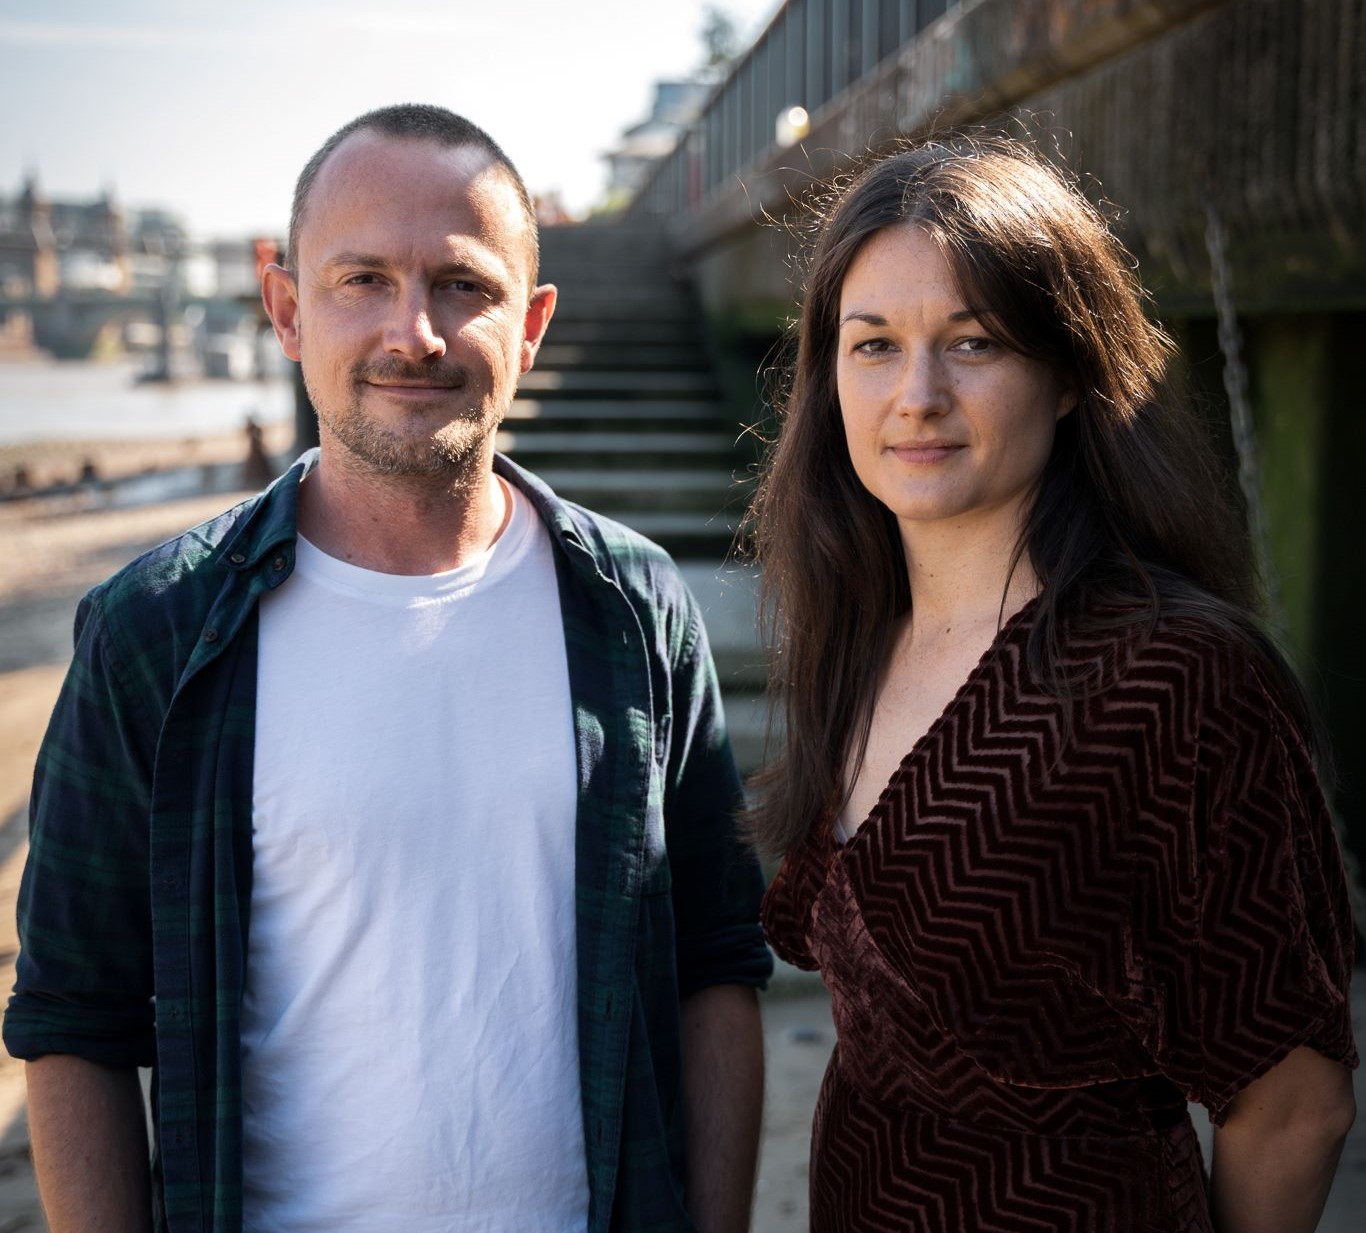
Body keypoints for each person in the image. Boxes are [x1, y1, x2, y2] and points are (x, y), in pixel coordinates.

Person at [5, 104, 771, 1233]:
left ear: (533, 325)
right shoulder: (153, 633)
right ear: (285, 309)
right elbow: (76, 1020)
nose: (413, 331)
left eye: (463, 285)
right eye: (361, 279)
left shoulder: (634, 609)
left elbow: (714, 964)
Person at [750, 133, 1358, 1233]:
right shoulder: (855, 640)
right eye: (873, 344)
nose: (916, 395)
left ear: (1071, 373)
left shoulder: (1174, 682)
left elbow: (1293, 1104)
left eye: (972, 342)